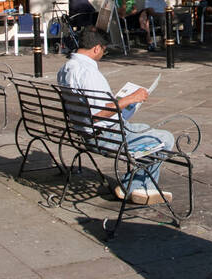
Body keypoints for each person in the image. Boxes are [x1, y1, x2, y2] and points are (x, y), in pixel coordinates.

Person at [57, 27, 176, 205]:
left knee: (146, 129)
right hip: (105, 135)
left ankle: (141, 186)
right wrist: (131, 99)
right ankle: (134, 186)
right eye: (103, 50)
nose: (103, 54)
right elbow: (98, 114)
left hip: (85, 131)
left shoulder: (66, 68)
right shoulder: (88, 73)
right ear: (96, 48)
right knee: (165, 139)